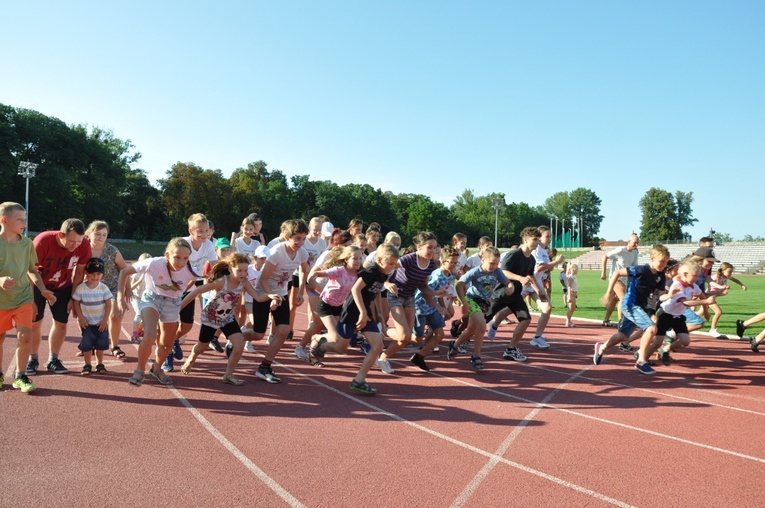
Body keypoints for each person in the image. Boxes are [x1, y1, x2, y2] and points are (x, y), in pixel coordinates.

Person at [312, 244, 400, 395]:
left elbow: (377, 292)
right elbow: (355, 289)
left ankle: (359, 380)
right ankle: (320, 340)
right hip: (353, 312)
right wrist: (362, 312)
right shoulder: (371, 271)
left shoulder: (385, 273)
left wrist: (378, 312)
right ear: (379, 259)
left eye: (394, 264)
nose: (392, 267)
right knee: (341, 348)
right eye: (390, 263)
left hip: (366, 313)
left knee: (377, 346)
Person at [117, 238, 197, 386]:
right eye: (177, 257)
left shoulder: (190, 270)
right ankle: (139, 370)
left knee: (167, 343)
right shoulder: (154, 263)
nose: (181, 262)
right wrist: (120, 297)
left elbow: (202, 280)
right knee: (149, 335)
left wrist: (181, 292)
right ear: (167, 255)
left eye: (185, 258)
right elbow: (124, 272)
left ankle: (157, 368)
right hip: (152, 299)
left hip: (172, 303)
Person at [179, 253, 262, 385]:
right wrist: (179, 307)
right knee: (202, 347)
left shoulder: (244, 283)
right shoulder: (222, 282)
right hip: (211, 318)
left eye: (245, 270)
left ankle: (228, 375)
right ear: (230, 269)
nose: (243, 273)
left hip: (227, 318)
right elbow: (197, 291)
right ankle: (192, 356)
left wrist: (273, 296)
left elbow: (258, 297)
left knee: (239, 344)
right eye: (239, 270)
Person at [0, 202, 55, 393]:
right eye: (19, 219)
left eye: (25, 219)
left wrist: (42, 290)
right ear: (4, 220)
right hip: (1, 301)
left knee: (25, 335)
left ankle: (20, 375)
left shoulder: (27, 244)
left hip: (22, 297)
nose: (24, 222)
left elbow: (32, 270)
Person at [27, 218, 92, 376]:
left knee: (61, 323)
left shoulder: (83, 245)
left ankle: (53, 359)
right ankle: (33, 358)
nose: (75, 245)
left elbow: (79, 272)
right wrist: (31, 299)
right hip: (37, 284)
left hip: (63, 286)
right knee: (35, 322)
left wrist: (73, 297)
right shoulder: (43, 241)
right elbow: (30, 270)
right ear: (61, 234)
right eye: (71, 241)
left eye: (78, 241)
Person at [593, 244, 670, 375]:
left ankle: (601, 347)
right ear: (652, 258)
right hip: (630, 304)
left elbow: (662, 296)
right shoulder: (640, 270)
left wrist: (674, 295)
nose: (663, 265)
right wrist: (608, 292)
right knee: (651, 328)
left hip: (641, 308)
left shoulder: (660, 275)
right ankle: (641, 361)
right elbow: (617, 272)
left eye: (666, 262)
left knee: (622, 336)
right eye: (661, 261)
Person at [252, 219, 311, 383]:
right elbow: (263, 279)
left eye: (303, 238)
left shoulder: (302, 253)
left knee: (284, 331)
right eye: (297, 238)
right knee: (258, 334)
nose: (300, 242)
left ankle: (265, 366)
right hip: (263, 291)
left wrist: (300, 292)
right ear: (287, 237)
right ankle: (235, 337)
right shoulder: (277, 252)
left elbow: (304, 271)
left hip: (281, 292)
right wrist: (271, 295)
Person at [376, 232, 439, 374]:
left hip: (410, 297)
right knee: (403, 335)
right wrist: (386, 282)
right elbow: (387, 267)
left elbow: (423, 286)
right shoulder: (409, 259)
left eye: (434, 248)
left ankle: (383, 358)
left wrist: (435, 293)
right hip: (395, 295)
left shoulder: (430, 264)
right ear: (419, 247)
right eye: (429, 247)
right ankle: (383, 329)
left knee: (411, 338)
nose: (432, 251)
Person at [482, 227, 542, 362]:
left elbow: (531, 275)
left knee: (526, 319)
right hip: (500, 293)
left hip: (515, 295)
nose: (537, 242)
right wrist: (520, 278)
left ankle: (511, 349)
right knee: (482, 320)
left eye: (538, 239)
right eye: (534, 239)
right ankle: (463, 338)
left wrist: (539, 292)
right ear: (526, 240)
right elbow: (503, 272)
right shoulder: (514, 254)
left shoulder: (531, 259)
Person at [448, 246, 513, 370]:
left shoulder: (497, 271)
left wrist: (510, 288)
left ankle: (455, 345)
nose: (494, 266)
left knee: (471, 330)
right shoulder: (475, 272)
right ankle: (476, 355)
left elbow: (507, 282)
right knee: (482, 326)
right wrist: (464, 302)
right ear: (483, 260)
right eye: (491, 263)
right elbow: (459, 285)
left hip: (484, 303)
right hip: (472, 299)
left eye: (496, 263)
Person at [297, 228, 353, 360]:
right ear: (336, 245)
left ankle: (318, 346)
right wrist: (319, 290)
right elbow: (311, 274)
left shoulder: (347, 258)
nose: (348, 248)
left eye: (350, 245)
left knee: (338, 329)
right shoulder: (327, 255)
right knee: (318, 324)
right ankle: (301, 346)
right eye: (345, 246)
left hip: (333, 296)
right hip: (317, 291)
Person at [306, 245, 364, 366]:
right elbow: (316, 273)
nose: (358, 261)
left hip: (338, 307)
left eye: (360, 258)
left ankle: (316, 349)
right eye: (355, 258)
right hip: (325, 305)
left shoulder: (360, 274)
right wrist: (311, 279)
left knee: (340, 339)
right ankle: (316, 339)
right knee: (334, 336)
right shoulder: (339, 271)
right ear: (346, 259)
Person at [654, 260, 716, 365]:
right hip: (665, 314)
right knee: (657, 342)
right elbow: (686, 303)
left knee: (685, 341)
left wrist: (706, 311)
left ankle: (665, 349)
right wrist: (705, 302)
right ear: (685, 274)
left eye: (698, 276)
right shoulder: (678, 285)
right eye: (695, 276)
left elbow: (702, 295)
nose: (697, 279)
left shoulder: (693, 286)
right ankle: (641, 355)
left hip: (678, 315)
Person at [409, 245, 459, 371]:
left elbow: (440, 293)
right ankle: (402, 335)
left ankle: (419, 356)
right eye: (452, 262)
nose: (454, 265)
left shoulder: (451, 275)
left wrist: (443, 307)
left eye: (456, 262)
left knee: (440, 334)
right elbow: (426, 294)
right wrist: (438, 306)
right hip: (421, 306)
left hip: (432, 308)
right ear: (443, 261)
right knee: (417, 338)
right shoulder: (436, 276)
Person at [84, 221, 128, 360]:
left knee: (115, 315)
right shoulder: (83, 249)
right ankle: (89, 345)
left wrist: (128, 289)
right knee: (89, 318)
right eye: (97, 234)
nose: (100, 237)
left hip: (112, 287)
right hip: (91, 288)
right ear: (89, 234)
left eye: (104, 235)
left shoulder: (112, 250)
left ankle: (115, 346)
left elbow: (124, 269)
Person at [517, 225, 565, 348]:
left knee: (547, 308)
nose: (550, 239)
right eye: (547, 236)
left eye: (551, 236)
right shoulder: (536, 249)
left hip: (536, 284)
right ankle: (492, 324)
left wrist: (550, 265)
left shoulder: (545, 250)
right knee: (507, 308)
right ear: (539, 237)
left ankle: (537, 337)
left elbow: (543, 267)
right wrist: (556, 262)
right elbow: (538, 267)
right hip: (526, 283)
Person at [176, 213, 217, 355]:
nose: (204, 234)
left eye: (206, 231)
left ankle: (173, 340)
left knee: (187, 325)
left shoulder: (209, 244)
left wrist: (222, 279)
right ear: (191, 231)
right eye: (200, 231)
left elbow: (215, 265)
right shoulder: (182, 244)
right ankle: (166, 353)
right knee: (170, 323)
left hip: (189, 288)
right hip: (174, 288)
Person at [72, 258, 113, 375]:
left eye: (98, 274)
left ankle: (100, 364)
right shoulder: (81, 288)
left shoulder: (103, 288)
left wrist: (105, 320)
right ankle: (87, 365)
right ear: (86, 273)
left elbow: (108, 305)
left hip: (101, 323)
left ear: (102, 275)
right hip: (87, 324)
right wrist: (80, 318)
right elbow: (76, 303)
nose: (95, 277)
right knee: (87, 345)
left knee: (101, 345)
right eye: (92, 274)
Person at [600, 234, 640, 329]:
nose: (636, 245)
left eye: (638, 243)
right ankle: (621, 321)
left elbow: (634, 267)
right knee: (624, 299)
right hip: (616, 278)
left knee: (614, 299)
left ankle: (606, 320)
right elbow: (605, 256)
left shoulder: (635, 253)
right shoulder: (620, 250)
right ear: (629, 241)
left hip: (625, 279)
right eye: (635, 243)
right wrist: (603, 272)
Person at [240, 245, 271, 353]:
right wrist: (242, 299)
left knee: (257, 325)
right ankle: (245, 342)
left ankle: (243, 331)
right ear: (255, 258)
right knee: (255, 322)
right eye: (262, 258)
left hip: (263, 302)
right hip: (250, 300)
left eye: (266, 258)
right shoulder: (248, 269)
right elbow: (241, 283)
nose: (264, 260)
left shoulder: (269, 270)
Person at [705, 262, 747, 337]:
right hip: (708, 296)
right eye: (729, 272)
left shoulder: (726, 276)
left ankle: (688, 323)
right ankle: (712, 330)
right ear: (723, 270)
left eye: (731, 271)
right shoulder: (715, 277)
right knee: (718, 312)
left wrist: (742, 284)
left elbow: (735, 279)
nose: (731, 273)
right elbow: (709, 282)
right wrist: (722, 288)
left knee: (700, 313)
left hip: (713, 296)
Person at [129, 253, 152, 343]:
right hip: (136, 297)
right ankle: (134, 336)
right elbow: (130, 288)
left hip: (146, 298)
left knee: (146, 318)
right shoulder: (137, 274)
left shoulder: (151, 273)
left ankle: (139, 330)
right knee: (139, 314)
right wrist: (138, 281)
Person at [564, 263, 579, 327]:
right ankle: (567, 322)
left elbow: (566, 274)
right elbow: (569, 286)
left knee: (572, 308)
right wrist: (569, 296)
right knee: (571, 308)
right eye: (577, 269)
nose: (577, 270)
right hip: (571, 293)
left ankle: (569, 321)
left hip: (573, 293)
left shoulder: (572, 276)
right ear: (573, 269)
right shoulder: (571, 277)